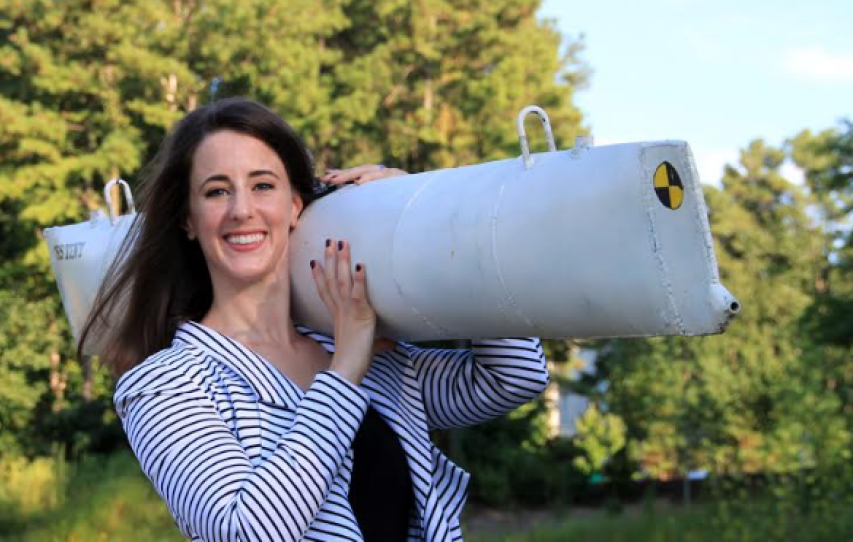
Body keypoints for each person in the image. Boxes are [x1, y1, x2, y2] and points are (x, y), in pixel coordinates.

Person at [82, 97, 549, 542]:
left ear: (294, 205)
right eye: (217, 191)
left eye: (263, 185)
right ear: (188, 218)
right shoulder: (166, 384)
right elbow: (251, 531)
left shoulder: (366, 352)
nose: (242, 210)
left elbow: (513, 377)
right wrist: (344, 370)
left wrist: (430, 219)